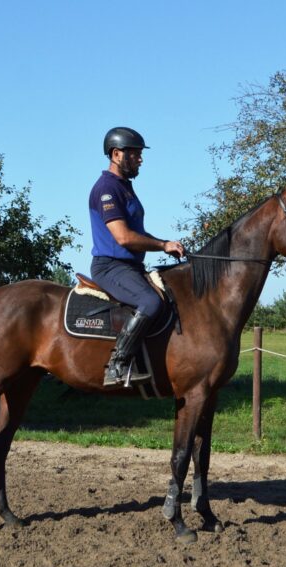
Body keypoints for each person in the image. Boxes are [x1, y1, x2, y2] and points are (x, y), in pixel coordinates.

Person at [89, 126, 185, 388]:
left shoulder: (125, 188)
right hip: (111, 267)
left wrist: (163, 245)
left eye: (140, 154)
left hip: (130, 266)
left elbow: (137, 233)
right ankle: (117, 365)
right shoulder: (107, 189)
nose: (140, 159)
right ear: (117, 154)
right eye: (135, 154)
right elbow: (124, 237)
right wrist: (163, 244)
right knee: (150, 301)